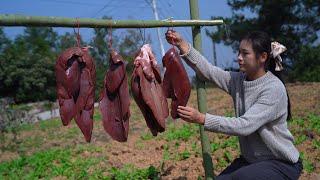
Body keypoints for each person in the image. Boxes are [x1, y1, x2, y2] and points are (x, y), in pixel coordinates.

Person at [165, 30, 303, 180]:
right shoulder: (237, 80)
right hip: (252, 161)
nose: (239, 58)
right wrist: (181, 44)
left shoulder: (273, 89)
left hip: (280, 163)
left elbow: (244, 125)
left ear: (262, 57)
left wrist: (202, 118)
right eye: (239, 53)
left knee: (241, 177)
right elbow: (208, 71)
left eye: (245, 54)